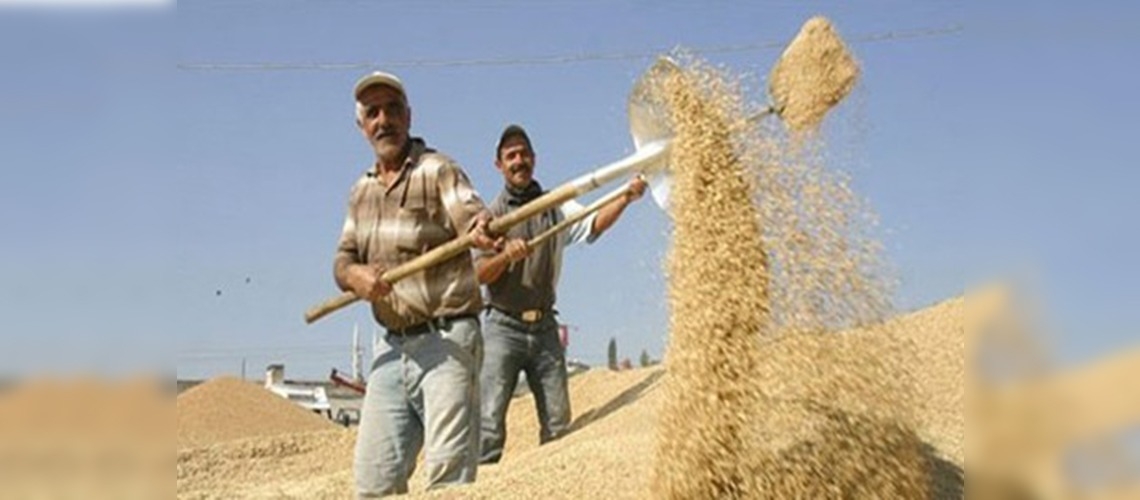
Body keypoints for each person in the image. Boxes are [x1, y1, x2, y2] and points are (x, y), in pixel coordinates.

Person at [334, 70, 497, 497]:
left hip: (447, 340)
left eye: (392, 110)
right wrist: (356, 276)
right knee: (374, 483)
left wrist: (482, 230)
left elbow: (473, 217)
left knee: (448, 480)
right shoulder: (360, 192)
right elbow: (342, 260)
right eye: (373, 113)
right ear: (362, 125)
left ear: (409, 116)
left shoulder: (439, 170)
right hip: (391, 348)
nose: (383, 120)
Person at [476, 124, 647, 464]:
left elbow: (592, 223)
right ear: (499, 165)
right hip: (502, 329)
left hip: (544, 330)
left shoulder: (554, 206)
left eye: (524, 154)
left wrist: (626, 197)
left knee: (558, 425)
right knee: (489, 427)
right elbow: (478, 273)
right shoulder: (490, 217)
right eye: (511, 156)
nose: (519, 160)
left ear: (534, 159)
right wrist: (504, 256)